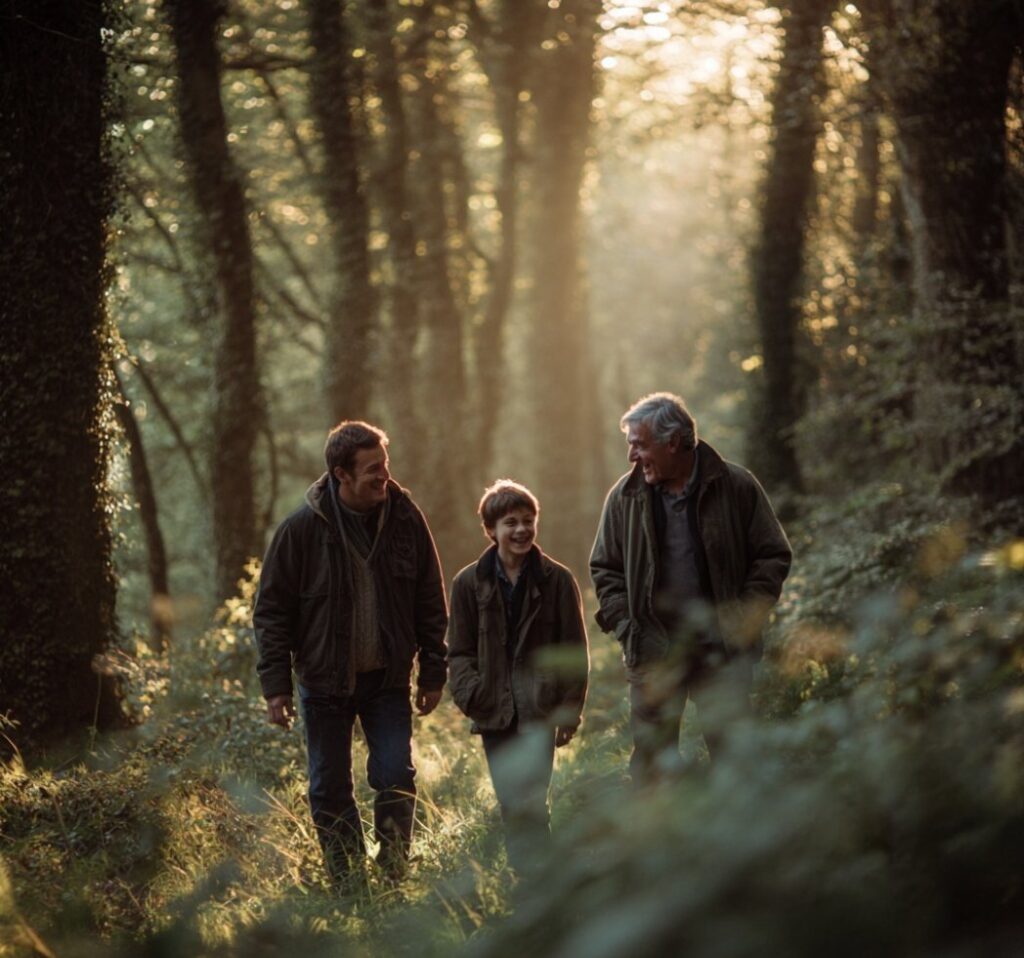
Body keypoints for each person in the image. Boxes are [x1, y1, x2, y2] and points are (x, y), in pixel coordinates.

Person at [253, 420, 448, 885]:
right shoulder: (300, 531)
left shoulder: (406, 518)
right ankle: (347, 881)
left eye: (385, 464)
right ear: (341, 474)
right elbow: (271, 612)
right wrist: (275, 686)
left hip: (387, 678)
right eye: (372, 469)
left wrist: (434, 672)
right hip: (323, 682)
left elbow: (429, 597)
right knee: (329, 786)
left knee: (394, 774)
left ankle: (393, 872)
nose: (385, 475)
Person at [589, 392, 792, 781]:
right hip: (653, 652)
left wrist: (743, 617)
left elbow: (772, 555)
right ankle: (663, 839)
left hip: (723, 650)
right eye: (630, 446)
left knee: (735, 758)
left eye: (639, 445)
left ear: (673, 442)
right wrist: (628, 627)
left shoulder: (735, 485)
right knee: (652, 766)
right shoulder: (624, 497)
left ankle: (736, 836)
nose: (632, 457)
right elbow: (604, 568)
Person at [447, 480, 589, 874]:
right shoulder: (467, 583)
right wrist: (472, 695)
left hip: (540, 710)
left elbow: (574, 652)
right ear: (491, 530)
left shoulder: (557, 580)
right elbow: (458, 651)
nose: (522, 529)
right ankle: (528, 882)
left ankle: (537, 881)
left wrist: (568, 712)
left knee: (531, 802)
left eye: (529, 521)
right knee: (512, 802)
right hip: (494, 710)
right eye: (511, 522)